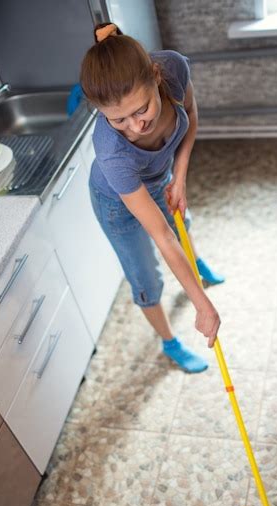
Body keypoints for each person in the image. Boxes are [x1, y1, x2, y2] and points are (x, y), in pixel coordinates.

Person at [80, 22, 224, 373]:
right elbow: (159, 234)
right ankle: (169, 343)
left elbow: (189, 113)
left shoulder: (173, 67)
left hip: (161, 177)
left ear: (156, 76)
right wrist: (201, 304)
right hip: (117, 201)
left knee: (182, 222)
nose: (134, 126)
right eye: (118, 120)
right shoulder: (112, 154)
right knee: (146, 276)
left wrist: (181, 175)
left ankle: (196, 264)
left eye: (140, 109)